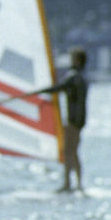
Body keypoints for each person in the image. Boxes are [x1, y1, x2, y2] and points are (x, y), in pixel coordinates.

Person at [40, 47, 89, 192]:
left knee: (69, 151)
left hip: (73, 121)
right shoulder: (81, 77)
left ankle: (69, 183)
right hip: (79, 121)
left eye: (73, 57)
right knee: (72, 151)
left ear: (78, 60)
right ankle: (76, 184)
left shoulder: (74, 76)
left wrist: (43, 91)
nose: (70, 60)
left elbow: (60, 87)